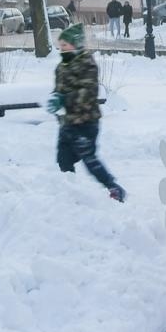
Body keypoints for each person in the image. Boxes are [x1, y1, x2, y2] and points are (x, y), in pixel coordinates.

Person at [49, 24, 125, 202]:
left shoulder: (87, 63)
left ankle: (113, 186)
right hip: (67, 122)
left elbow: (88, 92)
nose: (62, 49)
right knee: (63, 159)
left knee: (89, 159)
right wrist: (54, 100)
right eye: (60, 46)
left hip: (86, 122)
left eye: (65, 45)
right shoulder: (61, 67)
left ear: (76, 44)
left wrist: (64, 99)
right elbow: (58, 90)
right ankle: (70, 193)